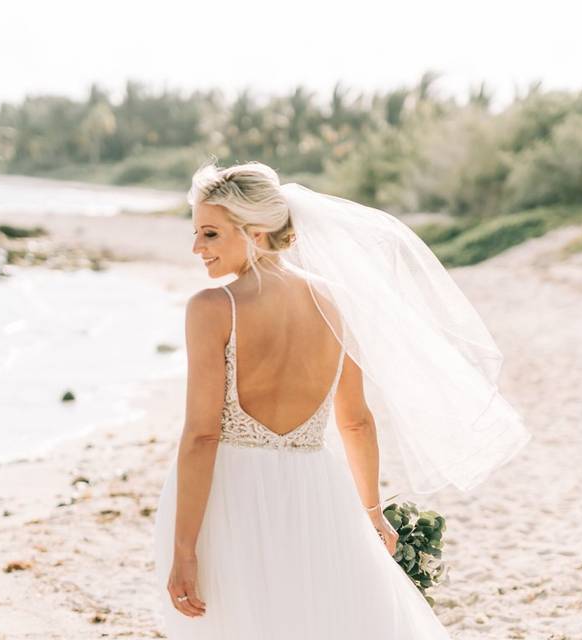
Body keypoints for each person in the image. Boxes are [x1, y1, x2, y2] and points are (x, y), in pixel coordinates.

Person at [151, 160, 531, 638]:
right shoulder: (335, 301)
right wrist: (371, 515)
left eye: (209, 234)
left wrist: (184, 548)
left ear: (255, 231)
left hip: (233, 491)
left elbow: (204, 434)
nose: (196, 248)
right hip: (318, 491)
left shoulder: (212, 308)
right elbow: (357, 422)